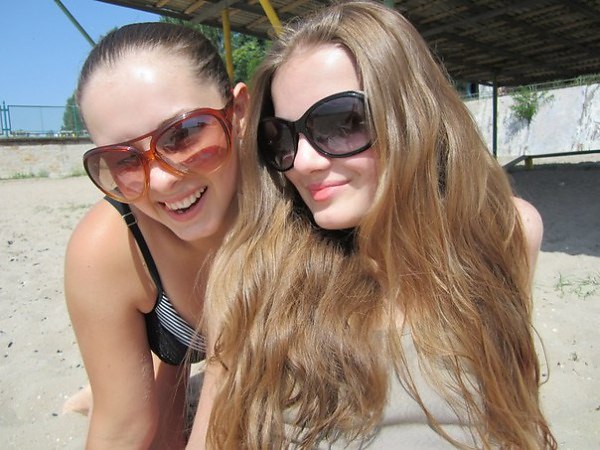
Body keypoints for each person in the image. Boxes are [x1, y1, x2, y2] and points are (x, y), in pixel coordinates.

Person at [197, 1, 556, 449]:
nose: (302, 162)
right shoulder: (255, 274)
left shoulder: (507, 233)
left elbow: (513, 408)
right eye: (281, 137)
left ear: (412, 113)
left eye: (340, 122)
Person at [63, 22, 247, 449]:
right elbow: (122, 425)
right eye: (123, 159)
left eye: (182, 134)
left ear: (238, 113)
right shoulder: (107, 248)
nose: (161, 180)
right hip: (171, 334)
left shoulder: (291, 194)